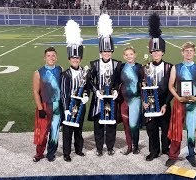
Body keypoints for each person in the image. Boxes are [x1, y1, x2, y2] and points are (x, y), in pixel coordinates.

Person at [165, 42, 196, 167]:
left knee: (191, 131)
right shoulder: (176, 67)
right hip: (179, 103)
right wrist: (178, 97)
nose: (189, 53)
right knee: (176, 130)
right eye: (186, 51)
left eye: (191, 51)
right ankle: (173, 155)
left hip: (192, 104)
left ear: (194, 52)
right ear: (182, 52)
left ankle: (191, 154)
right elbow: (171, 85)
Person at [88, 14, 122, 156]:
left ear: (112, 51)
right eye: (104, 51)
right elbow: (89, 80)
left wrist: (116, 91)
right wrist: (95, 91)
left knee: (111, 124)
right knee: (99, 124)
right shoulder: (94, 64)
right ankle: (99, 148)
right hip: (99, 100)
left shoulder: (118, 64)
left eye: (109, 51)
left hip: (112, 98)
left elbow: (120, 80)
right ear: (101, 51)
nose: (107, 53)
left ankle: (110, 147)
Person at [144, 13, 174, 161]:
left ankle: (166, 149)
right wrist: (144, 101)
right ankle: (154, 151)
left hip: (164, 103)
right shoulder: (145, 67)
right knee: (152, 129)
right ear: (151, 52)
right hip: (149, 104)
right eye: (153, 51)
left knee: (165, 127)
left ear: (163, 52)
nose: (156, 53)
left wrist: (165, 103)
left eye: (158, 51)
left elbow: (172, 88)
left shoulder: (170, 67)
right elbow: (141, 86)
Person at [60, 20, 89, 162]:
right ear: (69, 59)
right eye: (73, 57)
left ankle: (78, 149)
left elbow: (87, 86)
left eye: (77, 58)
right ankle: (66, 153)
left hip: (81, 105)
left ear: (80, 58)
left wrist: (86, 96)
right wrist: (66, 108)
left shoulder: (84, 72)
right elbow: (64, 93)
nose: (75, 60)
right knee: (67, 130)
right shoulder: (65, 74)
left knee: (78, 128)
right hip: (69, 105)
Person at [33, 47, 63, 162]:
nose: (51, 57)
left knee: (55, 131)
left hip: (57, 106)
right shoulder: (38, 72)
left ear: (56, 57)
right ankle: (39, 153)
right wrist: (40, 108)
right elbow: (35, 91)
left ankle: (51, 154)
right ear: (44, 57)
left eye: (53, 55)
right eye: (48, 55)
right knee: (42, 131)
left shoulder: (60, 69)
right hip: (44, 106)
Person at [118, 47, 143, 155]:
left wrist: (144, 99)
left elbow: (143, 84)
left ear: (135, 55)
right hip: (124, 100)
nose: (129, 56)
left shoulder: (139, 67)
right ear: (124, 56)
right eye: (126, 54)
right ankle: (129, 146)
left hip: (135, 100)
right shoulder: (121, 67)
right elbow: (116, 81)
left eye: (131, 54)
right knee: (126, 124)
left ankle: (135, 145)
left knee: (133, 124)